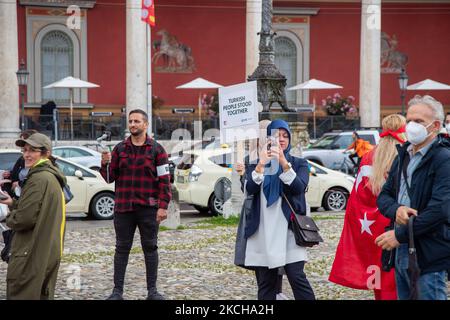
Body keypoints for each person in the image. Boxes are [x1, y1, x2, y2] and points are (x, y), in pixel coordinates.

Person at [375, 95, 450, 300]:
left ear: (435, 126)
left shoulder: (444, 159)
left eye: (418, 122)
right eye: (409, 120)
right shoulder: (403, 155)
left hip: (429, 254)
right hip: (401, 254)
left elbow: (440, 210)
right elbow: (384, 196)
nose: (411, 126)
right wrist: (396, 209)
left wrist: (398, 236)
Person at [329, 114, 407, 300]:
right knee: (399, 284)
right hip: (399, 227)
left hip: (373, 230)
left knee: (379, 280)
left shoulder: (369, 157)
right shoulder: (407, 154)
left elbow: (357, 199)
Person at [240, 119, 315, 300]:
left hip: (289, 229)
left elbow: (298, 187)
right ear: (267, 139)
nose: (280, 139)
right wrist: (261, 165)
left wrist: (282, 162)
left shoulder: (299, 163)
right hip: (263, 230)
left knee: (297, 276)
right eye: (275, 135)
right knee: (266, 283)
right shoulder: (255, 163)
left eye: (285, 135)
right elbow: (249, 189)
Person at [101, 109, 172, 300]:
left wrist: (163, 206)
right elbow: (110, 178)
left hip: (148, 208)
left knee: (150, 248)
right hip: (123, 208)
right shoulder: (120, 149)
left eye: (137, 121)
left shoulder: (157, 150)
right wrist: (104, 163)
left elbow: (165, 180)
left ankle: (152, 291)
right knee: (121, 249)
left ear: (146, 125)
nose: (132, 124)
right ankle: (117, 292)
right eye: (130, 121)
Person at [0, 133, 67, 299]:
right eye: (25, 150)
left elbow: (24, 219)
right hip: (45, 248)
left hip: (32, 250)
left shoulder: (38, 178)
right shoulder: (49, 175)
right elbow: (38, 207)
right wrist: (14, 203)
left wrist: (8, 215)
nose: (26, 155)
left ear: (45, 153)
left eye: (33, 151)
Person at [2, 129, 38, 198]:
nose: (26, 155)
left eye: (31, 150)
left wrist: (20, 183)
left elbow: (35, 181)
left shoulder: (42, 167)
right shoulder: (22, 159)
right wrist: (9, 174)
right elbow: (15, 175)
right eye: (24, 150)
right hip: (20, 198)